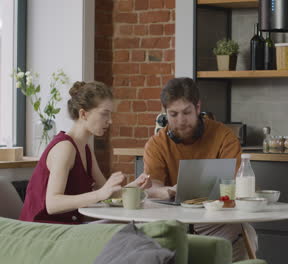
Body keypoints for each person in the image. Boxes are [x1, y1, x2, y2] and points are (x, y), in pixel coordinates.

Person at [143, 77, 256, 261]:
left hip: (216, 219)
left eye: (186, 112)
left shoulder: (224, 136)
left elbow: (235, 184)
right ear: (165, 113)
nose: (181, 121)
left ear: (197, 107)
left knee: (245, 234)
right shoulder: (156, 144)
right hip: (173, 221)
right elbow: (152, 187)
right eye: (173, 114)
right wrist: (168, 191)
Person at [20, 81, 151, 224]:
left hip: (67, 228)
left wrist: (135, 186)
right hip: (43, 231)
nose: (110, 121)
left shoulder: (85, 148)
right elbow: (52, 204)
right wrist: (100, 194)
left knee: (123, 227)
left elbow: (107, 191)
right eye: (104, 114)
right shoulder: (65, 148)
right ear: (83, 114)